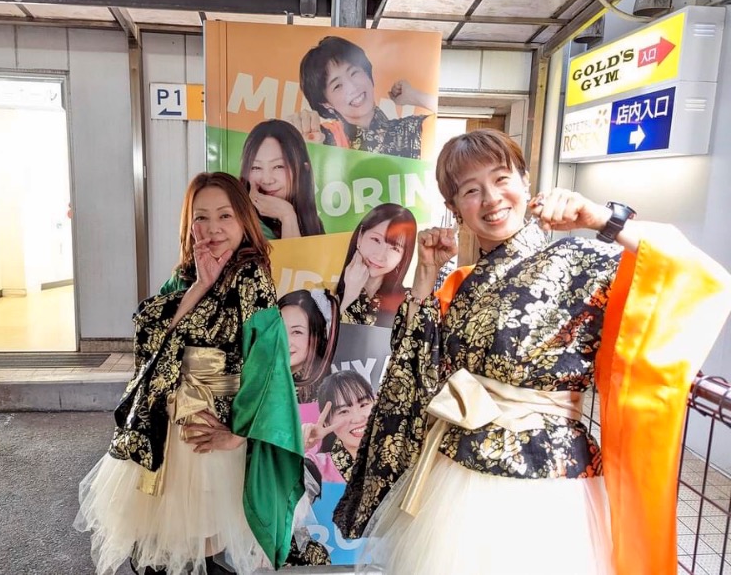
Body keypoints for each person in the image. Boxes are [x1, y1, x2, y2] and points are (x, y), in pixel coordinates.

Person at [333, 129, 731, 575]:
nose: (491, 199)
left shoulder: (581, 259)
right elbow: (415, 369)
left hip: (546, 476)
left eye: (502, 179)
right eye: (470, 190)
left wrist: (602, 220)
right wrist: (424, 273)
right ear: (454, 209)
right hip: (457, 467)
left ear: (525, 183)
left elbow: (696, 274)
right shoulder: (461, 282)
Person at [74, 172, 305, 575]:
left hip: (207, 434)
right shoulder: (186, 273)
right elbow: (149, 335)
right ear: (188, 223)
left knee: (199, 548)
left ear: (244, 221)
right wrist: (200, 285)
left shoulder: (251, 279)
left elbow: (267, 363)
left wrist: (239, 434)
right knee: (161, 549)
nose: (212, 228)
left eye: (225, 216)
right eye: (201, 217)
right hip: (163, 428)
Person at [289, 36, 435, 159]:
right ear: (326, 103)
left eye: (354, 73)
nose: (352, 87)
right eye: (337, 86)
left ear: (367, 73)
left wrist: (413, 96)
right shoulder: (320, 139)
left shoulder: (410, 130)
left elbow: (450, 128)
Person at [240, 119, 325, 240]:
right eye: (256, 167)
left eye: (278, 166)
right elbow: (292, 260)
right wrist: (287, 216)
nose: (267, 180)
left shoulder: (311, 221)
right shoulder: (246, 226)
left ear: (303, 169)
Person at [336, 203, 416, 327]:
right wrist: (350, 294)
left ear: (403, 257)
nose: (380, 255)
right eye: (376, 240)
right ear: (360, 236)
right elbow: (333, 344)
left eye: (394, 248)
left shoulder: (407, 303)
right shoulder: (324, 298)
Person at [303, 370, 375, 484]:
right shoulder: (315, 468)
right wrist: (299, 447)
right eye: (344, 411)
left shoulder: (402, 451)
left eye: (363, 405)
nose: (358, 419)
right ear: (327, 423)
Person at [278, 288, 340, 404]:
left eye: (297, 332)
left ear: (317, 336)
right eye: (279, 329)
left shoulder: (324, 394)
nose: (284, 341)